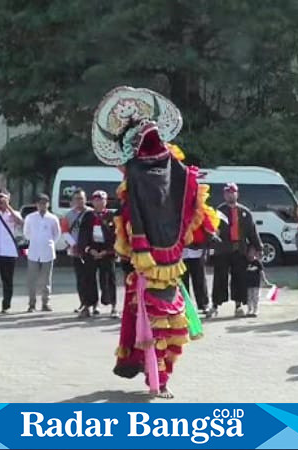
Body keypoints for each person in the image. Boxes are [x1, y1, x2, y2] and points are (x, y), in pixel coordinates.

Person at [93, 86, 218, 398]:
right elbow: (188, 199)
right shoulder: (174, 170)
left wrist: (140, 246)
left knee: (160, 326)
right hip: (164, 262)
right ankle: (158, 379)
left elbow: (134, 212)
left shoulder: (142, 171)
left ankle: (157, 378)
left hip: (150, 262)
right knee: (163, 327)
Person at [210, 182, 263, 318]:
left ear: (237, 194)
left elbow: (252, 232)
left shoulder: (244, 212)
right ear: (224, 194)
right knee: (219, 278)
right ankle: (215, 305)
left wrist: (257, 248)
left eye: (232, 192)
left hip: (239, 250)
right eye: (228, 193)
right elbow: (213, 230)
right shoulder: (219, 211)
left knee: (239, 278)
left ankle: (238, 305)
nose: (230, 195)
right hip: (222, 250)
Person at [77, 190, 117, 318]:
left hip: (107, 250)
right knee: (88, 279)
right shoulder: (88, 216)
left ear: (106, 202)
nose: (99, 203)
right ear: (92, 202)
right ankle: (89, 305)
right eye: (96, 200)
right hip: (92, 250)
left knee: (109, 278)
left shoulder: (111, 216)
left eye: (102, 200)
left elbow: (117, 235)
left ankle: (113, 306)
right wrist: (88, 249)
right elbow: (82, 235)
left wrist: (108, 250)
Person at [23, 193, 61, 313]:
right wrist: (35, 240)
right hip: (34, 251)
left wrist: (49, 242)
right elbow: (26, 233)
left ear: (48, 204)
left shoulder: (52, 218)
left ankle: (46, 303)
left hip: (47, 251)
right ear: (36, 204)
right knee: (32, 280)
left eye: (45, 203)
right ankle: (32, 304)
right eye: (40, 203)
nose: (42, 205)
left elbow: (57, 234)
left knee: (46, 280)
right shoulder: (30, 217)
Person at [61, 189, 92, 313]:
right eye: (77, 199)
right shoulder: (68, 215)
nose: (79, 201)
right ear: (72, 201)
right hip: (75, 251)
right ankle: (83, 302)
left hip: (90, 250)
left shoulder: (91, 213)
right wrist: (73, 245)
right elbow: (64, 231)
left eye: (81, 198)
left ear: (85, 199)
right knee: (80, 278)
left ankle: (93, 303)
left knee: (90, 278)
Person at [181, 243, 210, 315]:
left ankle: (204, 304)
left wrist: (204, 253)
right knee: (183, 283)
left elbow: (206, 236)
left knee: (200, 281)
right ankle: (185, 306)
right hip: (181, 254)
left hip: (197, 253)